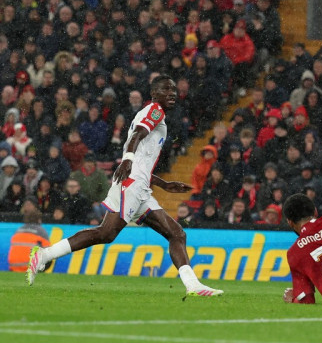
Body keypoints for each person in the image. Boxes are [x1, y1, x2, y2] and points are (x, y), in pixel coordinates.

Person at [26, 76, 222, 297]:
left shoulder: (153, 114)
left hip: (140, 186)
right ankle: (44, 255)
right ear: (154, 93)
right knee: (106, 233)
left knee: (176, 234)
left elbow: (141, 157)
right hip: (132, 184)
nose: (172, 93)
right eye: (166, 89)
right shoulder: (155, 110)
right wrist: (127, 159)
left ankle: (193, 285)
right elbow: (137, 135)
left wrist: (163, 183)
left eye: (174, 89)